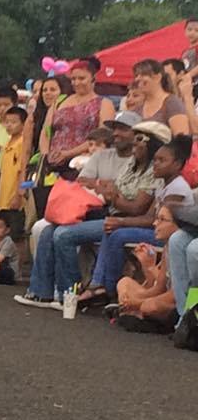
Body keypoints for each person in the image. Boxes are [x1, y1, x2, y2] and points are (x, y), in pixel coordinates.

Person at [15, 115, 160, 308]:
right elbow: (88, 184)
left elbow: (136, 207)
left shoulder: (153, 170)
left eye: (139, 137)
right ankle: (41, 292)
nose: (134, 141)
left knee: (63, 235)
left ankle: (70, 294)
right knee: (49, 230)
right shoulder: (132, 166)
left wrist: (112, 194)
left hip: (121, 220)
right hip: (105, 213)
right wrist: (111, 192)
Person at [79, 128, 191, 305]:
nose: (156, 164)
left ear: (177, 164)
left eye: (162, 161)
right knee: (112, 230)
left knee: (118, 234)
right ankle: (99, 285)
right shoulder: (162, 184)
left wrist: (121, 222)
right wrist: (118, 221)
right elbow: (150, 216)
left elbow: (156, 222)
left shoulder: (177, 189)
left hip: (170, 238)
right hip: (157, 230)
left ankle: (107, 289)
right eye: (155, 160)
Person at [40, 57, 116, 179]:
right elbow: (46, 132)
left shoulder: (104, 103)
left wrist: (68, 154)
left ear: (93, 79)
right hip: (52, 164)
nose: (76, 82)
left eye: (82, 78)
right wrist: (45, 156)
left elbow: (103, 137)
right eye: (73, 79)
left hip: (83, 165)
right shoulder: (60, 101)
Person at [109, 204, 179, 333]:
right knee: (124, 283)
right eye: (157, 218)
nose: (155, 223)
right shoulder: (167, 248)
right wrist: (148, 266)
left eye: (162, 219)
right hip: (164, 297)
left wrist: (138, 302)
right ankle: (132, 310)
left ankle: (133, 311)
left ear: (177, 224)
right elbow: (158, 287)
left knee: (150, 306)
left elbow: (175, 295)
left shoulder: (182, 250)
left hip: (180, 303)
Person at [0, 106, 28, 265]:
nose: (9, 125)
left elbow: (22, 169)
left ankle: (19, 267)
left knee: (17, 234)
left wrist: (18, 194)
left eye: (14, 122)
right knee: (5, 233)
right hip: (3, 196)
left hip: (15, 197)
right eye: (7, 122)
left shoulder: (22, 143)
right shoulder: (8, 142)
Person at [131, 59, 189, 136]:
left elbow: (182, 139)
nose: (137, 79)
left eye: (143, 75)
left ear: (158, 77)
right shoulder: (138, 106)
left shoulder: (172, 103)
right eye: (136, 75)